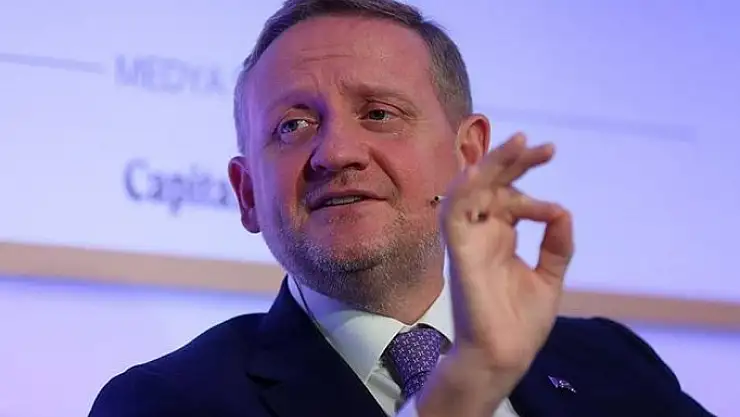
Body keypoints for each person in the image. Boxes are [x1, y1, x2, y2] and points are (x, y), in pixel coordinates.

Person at [89, 0, 715, 416]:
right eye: (292, 126)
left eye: (379, 114)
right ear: (247, 193)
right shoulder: (162, 404)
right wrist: (463, 389)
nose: (336, 152)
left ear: (468, 155)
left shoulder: (611, 364)